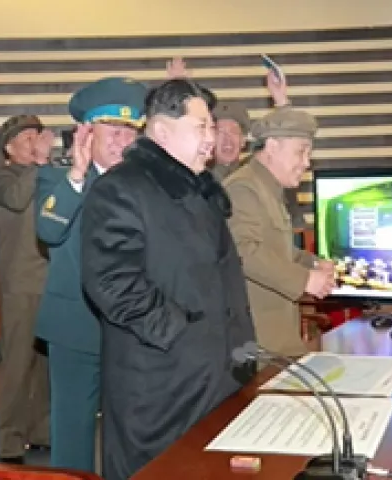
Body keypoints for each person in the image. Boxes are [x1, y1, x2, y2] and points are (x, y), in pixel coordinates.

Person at [80, 79, 257, 480]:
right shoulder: (121, 188)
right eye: (202, 127)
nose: (211, 138)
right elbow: (110, 280)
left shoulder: (199, 189)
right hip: (161, 384)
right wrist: (181, 334)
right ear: (161, 131)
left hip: (217, 377)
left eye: (212, 127)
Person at [34, 76, 147, 474]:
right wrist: (77, 177)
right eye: (111, 130)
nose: (121, 140)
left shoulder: (142, 183)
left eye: (129, 131)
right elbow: (48, 231)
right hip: (75, 329)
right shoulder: (58, 179)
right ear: (86, 132)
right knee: (72, 436)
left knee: (130, 432)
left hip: (131, 329)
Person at [223, 105, 336, 355]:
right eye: (300, 152)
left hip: (278, 338)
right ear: (272, 147)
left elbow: (278, 250)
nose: (306, 163)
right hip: (259, 342)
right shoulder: (243, 188)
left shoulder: (269, 189)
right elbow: (244, 251)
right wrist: (305, 280)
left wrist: (314, 264)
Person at [0, 115, 53, 464]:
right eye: (26, 138)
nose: (33, 142)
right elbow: (16, 197)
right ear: (8, 147)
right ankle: (9, 440)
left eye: (36, 136)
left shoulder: (45, 174)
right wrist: (40, 163)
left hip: (49, 279)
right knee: (16, 363)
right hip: (19, 282)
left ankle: (41, 429)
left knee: (45, 363)